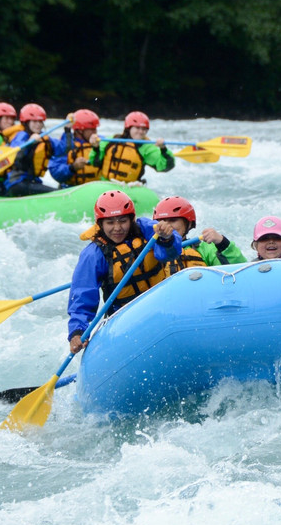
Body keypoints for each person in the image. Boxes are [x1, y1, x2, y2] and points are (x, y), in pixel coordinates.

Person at [67, 190, 182, 352]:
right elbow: (82, 295)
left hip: (160, 306)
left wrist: (167, 238)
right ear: (100, 224)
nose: (117, 228)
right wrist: (77, 332)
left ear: (131, 219)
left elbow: (169, 254)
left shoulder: (147, 229)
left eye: (122, 221)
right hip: (124, 319)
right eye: (110, 223)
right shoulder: (92, 254)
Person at [152, 196, 245, 273]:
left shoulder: (204, 249)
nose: (166, 225)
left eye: (173, 220)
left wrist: (223, 244)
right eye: (162, 221)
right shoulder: (150, 250)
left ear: (188, 224)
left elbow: (240, 271)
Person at [88, 111, 175, 184]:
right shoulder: (111, 140)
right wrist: (95, 148)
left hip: (130, 187)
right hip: (106, 183)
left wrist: (163, 149)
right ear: (128, 128)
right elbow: (95, 162)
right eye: (137, 128)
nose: (141, 132)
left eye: (144, 129)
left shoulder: (146, 147)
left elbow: (165, 166)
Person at [4, 103, 59, 196]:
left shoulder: (43, 137)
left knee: (54, 189)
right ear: (26, 122)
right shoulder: (21, 135)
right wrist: (29, 142)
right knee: (55, 193)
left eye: (40, 121)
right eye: (34, 122)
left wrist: (67, 130)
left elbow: (64, 149)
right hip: (17, 183)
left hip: (32, 181)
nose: (38, 125)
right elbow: (14, 156)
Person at [49, 109, 102, 187]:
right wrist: (73, 167)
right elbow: (56, 173)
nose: (95, 132)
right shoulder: (66, 145)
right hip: (71, 188)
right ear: (79, 130)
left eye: (95, 129)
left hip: (96, 187)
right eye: (92, 129)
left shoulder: (101, 142)